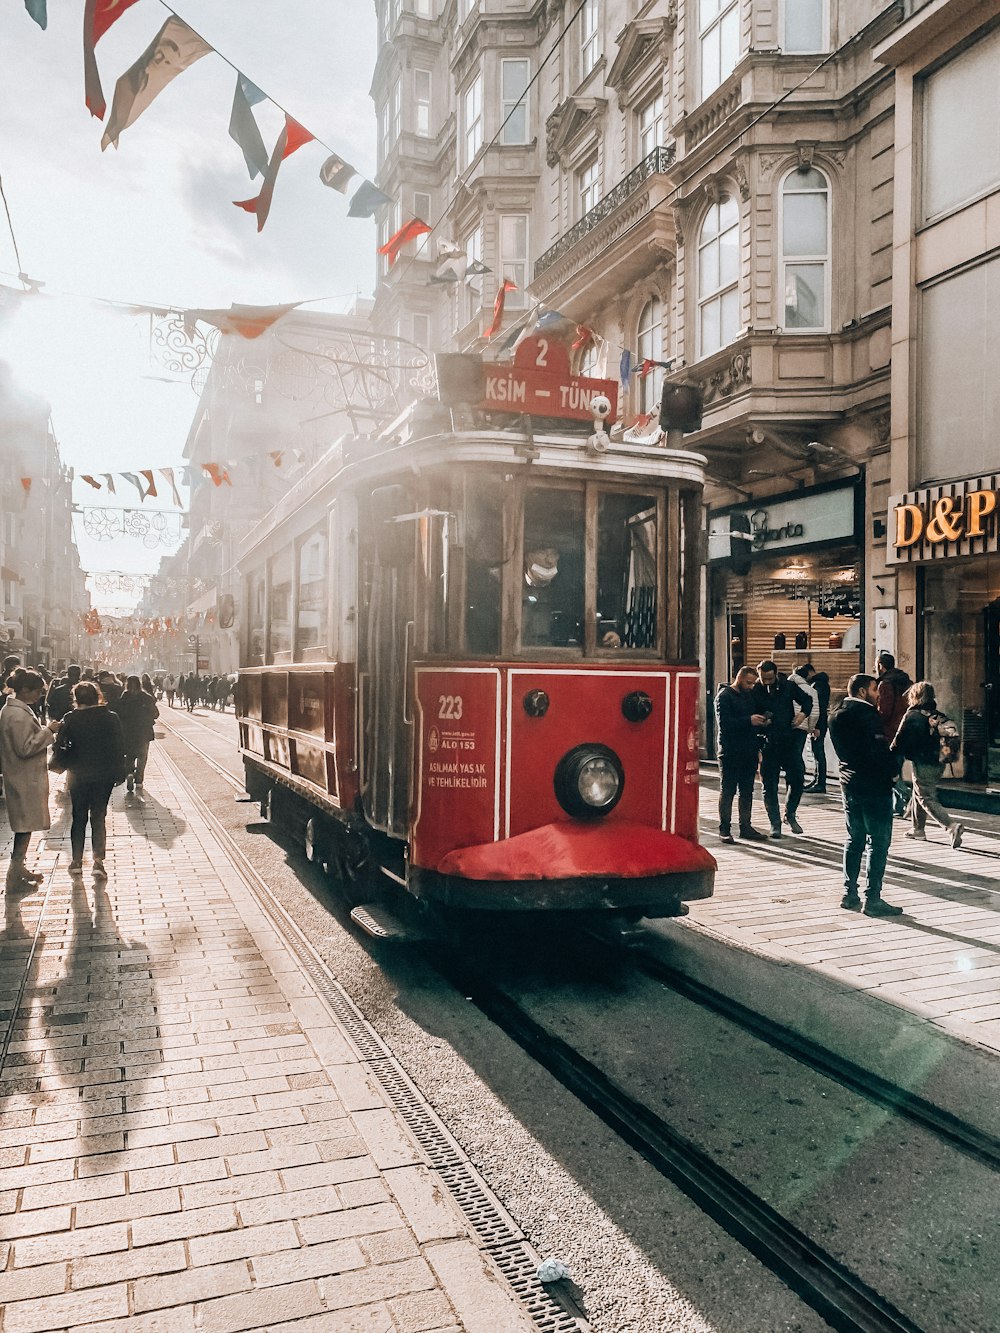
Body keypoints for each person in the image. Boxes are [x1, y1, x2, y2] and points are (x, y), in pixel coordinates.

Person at [829, 673, 901, 916]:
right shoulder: (867, 716)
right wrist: (893, 773)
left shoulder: (836, 713)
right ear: (862, 691)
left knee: (854, 839)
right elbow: (877, 752)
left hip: (849, 783)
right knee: (878, 842)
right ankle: (873, 898)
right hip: (874, 786)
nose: (878, 694)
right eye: (874, 689)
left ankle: (849, 893)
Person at [52, 681, 126, 877]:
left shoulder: (70, 718)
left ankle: (76, 861)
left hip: (78, 773)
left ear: (76, 699)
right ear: (97, 696)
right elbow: (118, 747)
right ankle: (98, 862)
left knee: (79, 815)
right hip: (104, 774)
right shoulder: (110, 717)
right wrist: (121, 773)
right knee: (98, 816)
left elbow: (59, 744)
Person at [0, 668, 60, 891]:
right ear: (24, 690)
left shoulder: (18, 710)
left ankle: (18, 869)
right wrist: (49, 730)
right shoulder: (16, 715)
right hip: (22, 777)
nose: (40, 695)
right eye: (37, 691)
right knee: (24, 826)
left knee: (25, 826)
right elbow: (25, 747)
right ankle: (14, 874)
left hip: (23, 776)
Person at [891, 681, 965, 849]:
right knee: (920, 792)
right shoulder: (937, 715)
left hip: (923, 762)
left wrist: (889, 762)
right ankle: (918, 830)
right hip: (939, 762)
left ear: (914, 696)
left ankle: (951, 827)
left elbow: (898, 743)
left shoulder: (913, 716)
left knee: (926, 797)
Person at [751, 660, 815, 837]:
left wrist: (802, 715)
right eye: (763, 679)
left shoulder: (788, 686)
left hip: (788, 738)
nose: (767, 682)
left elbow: (807, 700)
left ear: (776, 674)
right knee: (768, 784)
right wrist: (760, 720)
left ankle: (790, 813)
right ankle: (775, 823)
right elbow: (750, 711)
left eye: (770, 678)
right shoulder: (756, 689)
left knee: (797, 777)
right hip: (767, 740)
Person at [714, 665, 767, 843]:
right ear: (739, 678)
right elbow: (725, 724)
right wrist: (749, 720)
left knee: (747, 790)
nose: (751, 686)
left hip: (748, 749)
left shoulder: (749, 695)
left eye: (753, 683)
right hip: (730, 750)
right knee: (728, 790)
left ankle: (746, 827)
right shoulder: (724, 696)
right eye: (749, 682)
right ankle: (724, 829)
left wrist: (764, 719)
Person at [876, 651, 913, 814]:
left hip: (889, 733)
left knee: (887, 772)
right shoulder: (907, 682)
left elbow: (884, 711)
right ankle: (897, 807)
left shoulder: (885, 684)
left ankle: (910, 795)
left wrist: (874, 720)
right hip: (905, 731)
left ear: (880, 666)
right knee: (895, 768)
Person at [117, 675, 159, 794]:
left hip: (128, 731)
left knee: (129, 755)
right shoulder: (146, 697)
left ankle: (130, 772)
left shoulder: (124, 697)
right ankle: (139, 780)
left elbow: (119, 713)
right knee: (142, 756)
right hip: (143, 732)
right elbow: (156, 714)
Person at [800, 664, 831, 792]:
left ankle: (820, 782)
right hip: (822, 721)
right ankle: (817, 780)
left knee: (818, 752)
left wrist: (815, 726)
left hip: (819, 723)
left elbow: (818, 707)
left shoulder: (817, 685)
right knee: (817, 752)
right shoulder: (821, 684)